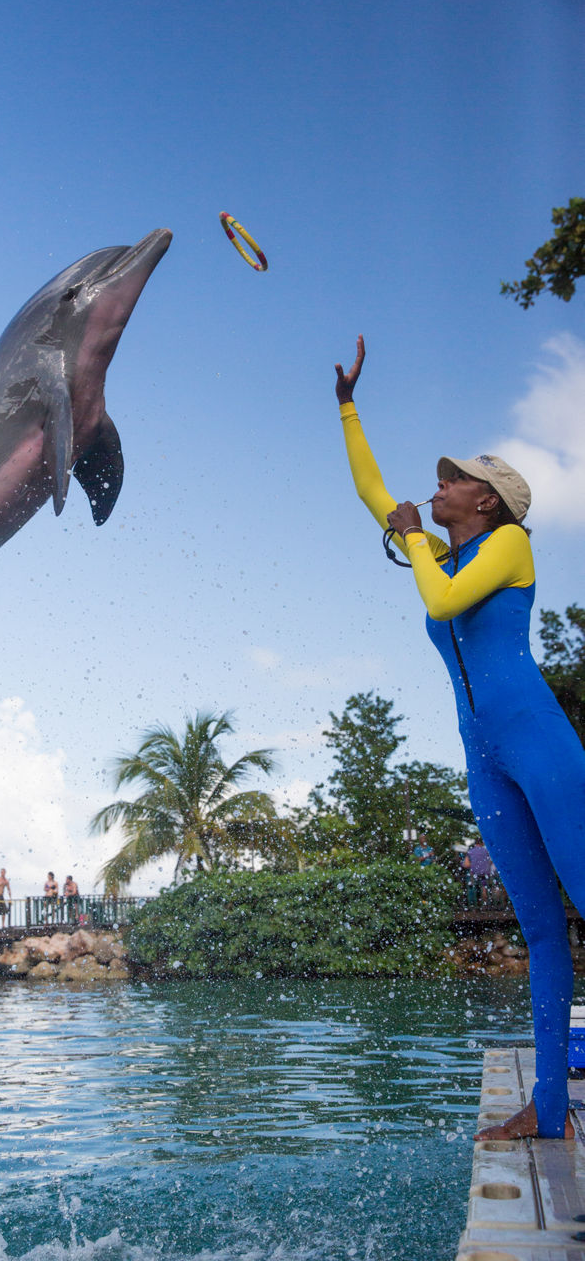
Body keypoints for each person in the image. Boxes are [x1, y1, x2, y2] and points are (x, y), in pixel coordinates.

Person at [334, 334, 585, 1141]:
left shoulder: (510, 545)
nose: (439, 484)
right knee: (540, 931)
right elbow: (372, 489)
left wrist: (411, 537)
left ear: (490, 501)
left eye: (457, 479)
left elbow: (443, 604)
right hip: (485, 761)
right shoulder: (440, 552)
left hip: (540, 746)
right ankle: (552, 1111)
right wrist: (347, 407)